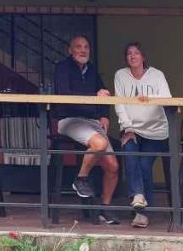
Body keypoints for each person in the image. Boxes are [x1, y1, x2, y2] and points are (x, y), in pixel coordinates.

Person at [52, 34, 120, 225]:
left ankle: (104, 209)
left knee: (113, 167)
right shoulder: (62, 68)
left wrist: (105, 114)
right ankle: (81, 179)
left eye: (86, 47)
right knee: (100, 143)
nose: (83, 50)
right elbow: (65, 94)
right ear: (70, 50)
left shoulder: (92, 71)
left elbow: (103, 93)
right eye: (79, 47)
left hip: (91, 121)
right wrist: (94, 95)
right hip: (69, 120)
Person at [114, 42, 171, 229]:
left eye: (136, 53)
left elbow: (167, 99)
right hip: (132, 130)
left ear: (143, 57)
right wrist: (128, 128)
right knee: (131, 157)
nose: (132, 56)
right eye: (129, 53)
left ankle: (142, 209)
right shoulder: (120, 75)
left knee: (144, 166)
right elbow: (119, 104)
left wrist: (151, 99)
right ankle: (140, 203)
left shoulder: (157, 75)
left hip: (155, 131)